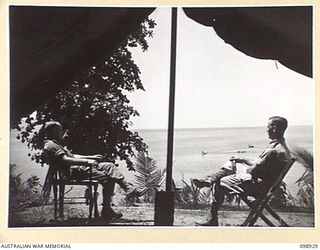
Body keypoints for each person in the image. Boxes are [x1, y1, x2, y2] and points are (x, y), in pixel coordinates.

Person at [193, 116, 292, 226]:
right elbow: (260, 166)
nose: (266, 130)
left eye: (268, 127)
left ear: (274, 128)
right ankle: (210, 179)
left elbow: (252, 171)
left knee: (219, 181)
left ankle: (212, 215)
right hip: (263, 184)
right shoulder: (282, 148)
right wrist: (242, 160)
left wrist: (240, 170)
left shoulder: (273, 151)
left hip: (257, 188)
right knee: (231, 164)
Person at [43, 121, 146, 223]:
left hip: (80, 168)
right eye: (60, 130)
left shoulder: (56, 143)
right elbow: (65, 160)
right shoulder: (51, 145)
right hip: (75, 171)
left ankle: (128, 188)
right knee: (108, 179)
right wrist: (86, 162)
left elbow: (73, 156)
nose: (62, 132)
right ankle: (107, 211)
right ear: (54, 131)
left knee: (109, 166)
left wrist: (91, 157)